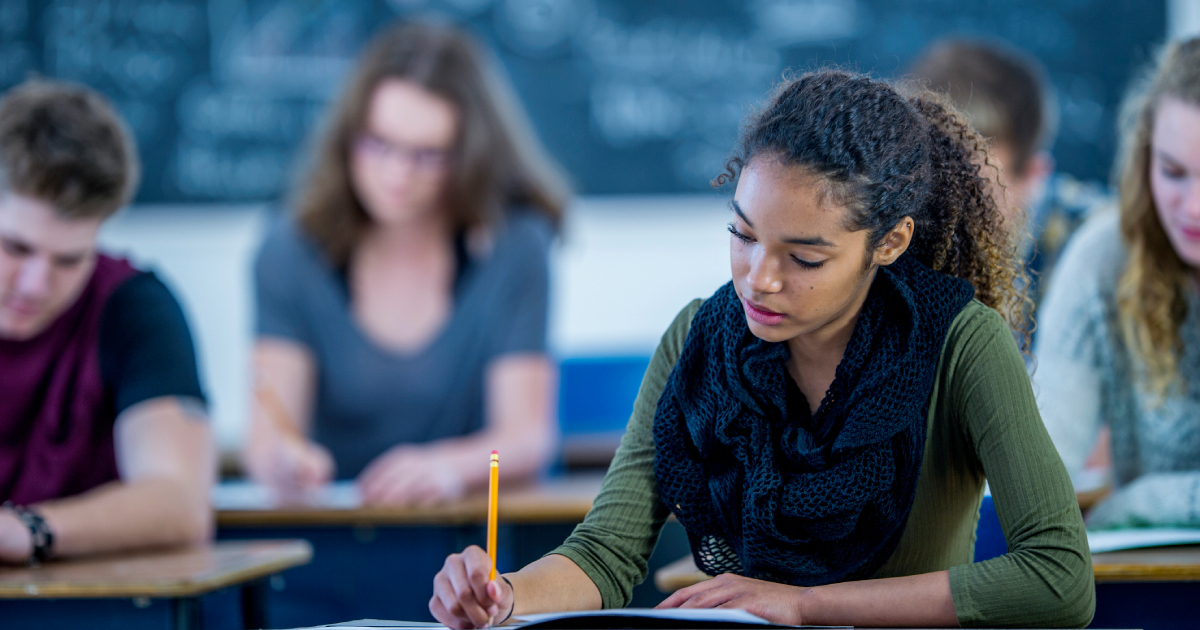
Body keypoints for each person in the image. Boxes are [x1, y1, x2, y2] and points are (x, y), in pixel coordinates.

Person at [429, 71, 1094, 629]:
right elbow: (606, 553)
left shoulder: (959, 341)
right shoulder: (697, 338)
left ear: (887, 244)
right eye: (743, 236)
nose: (760, 278)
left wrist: (807, 606)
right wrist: (505, 595)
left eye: (805, 257)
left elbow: (1059, 578)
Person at [244, 21, 568, 506]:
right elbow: (268, 437)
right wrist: (281, 460)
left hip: (468, 535)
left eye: (428, 155)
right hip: (329, 535)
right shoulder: (288, 248)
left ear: (468, 156)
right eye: (379, 144)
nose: (397, 174)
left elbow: (527, 437)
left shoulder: (515, 246)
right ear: (348, 135)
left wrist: (448, 467)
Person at [0, 80, 213, 563]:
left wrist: (26, 531)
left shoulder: (134, 308)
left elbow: (180, 503)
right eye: (15, 248)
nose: (35, 284)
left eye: (69, 260)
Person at [1035, 38, 1200, 529]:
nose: (1192, 208)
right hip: (1155, 587)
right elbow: (1040, 472)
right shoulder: (1103, 258)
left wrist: (1137, 505)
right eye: (1172, 172)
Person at [909, 39, 1110, 307]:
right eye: (926, 179)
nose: (936, 206)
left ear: (1034, 175)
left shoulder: (1106, 247)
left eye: (969, 189)